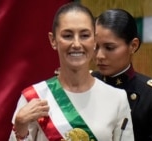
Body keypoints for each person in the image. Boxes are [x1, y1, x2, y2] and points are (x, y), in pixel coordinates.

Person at [9, 3, 134, 141]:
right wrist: (20, 128)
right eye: (68, 36)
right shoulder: (34, 97)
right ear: (53, 40)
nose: (76, 44)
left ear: (94, 40)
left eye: (85, 35)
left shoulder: (117, 99)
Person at [92, 9, 152, 141]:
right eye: (95, 47)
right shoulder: (86, 84)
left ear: (133, 46)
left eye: (109, 48)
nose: (99, 56)